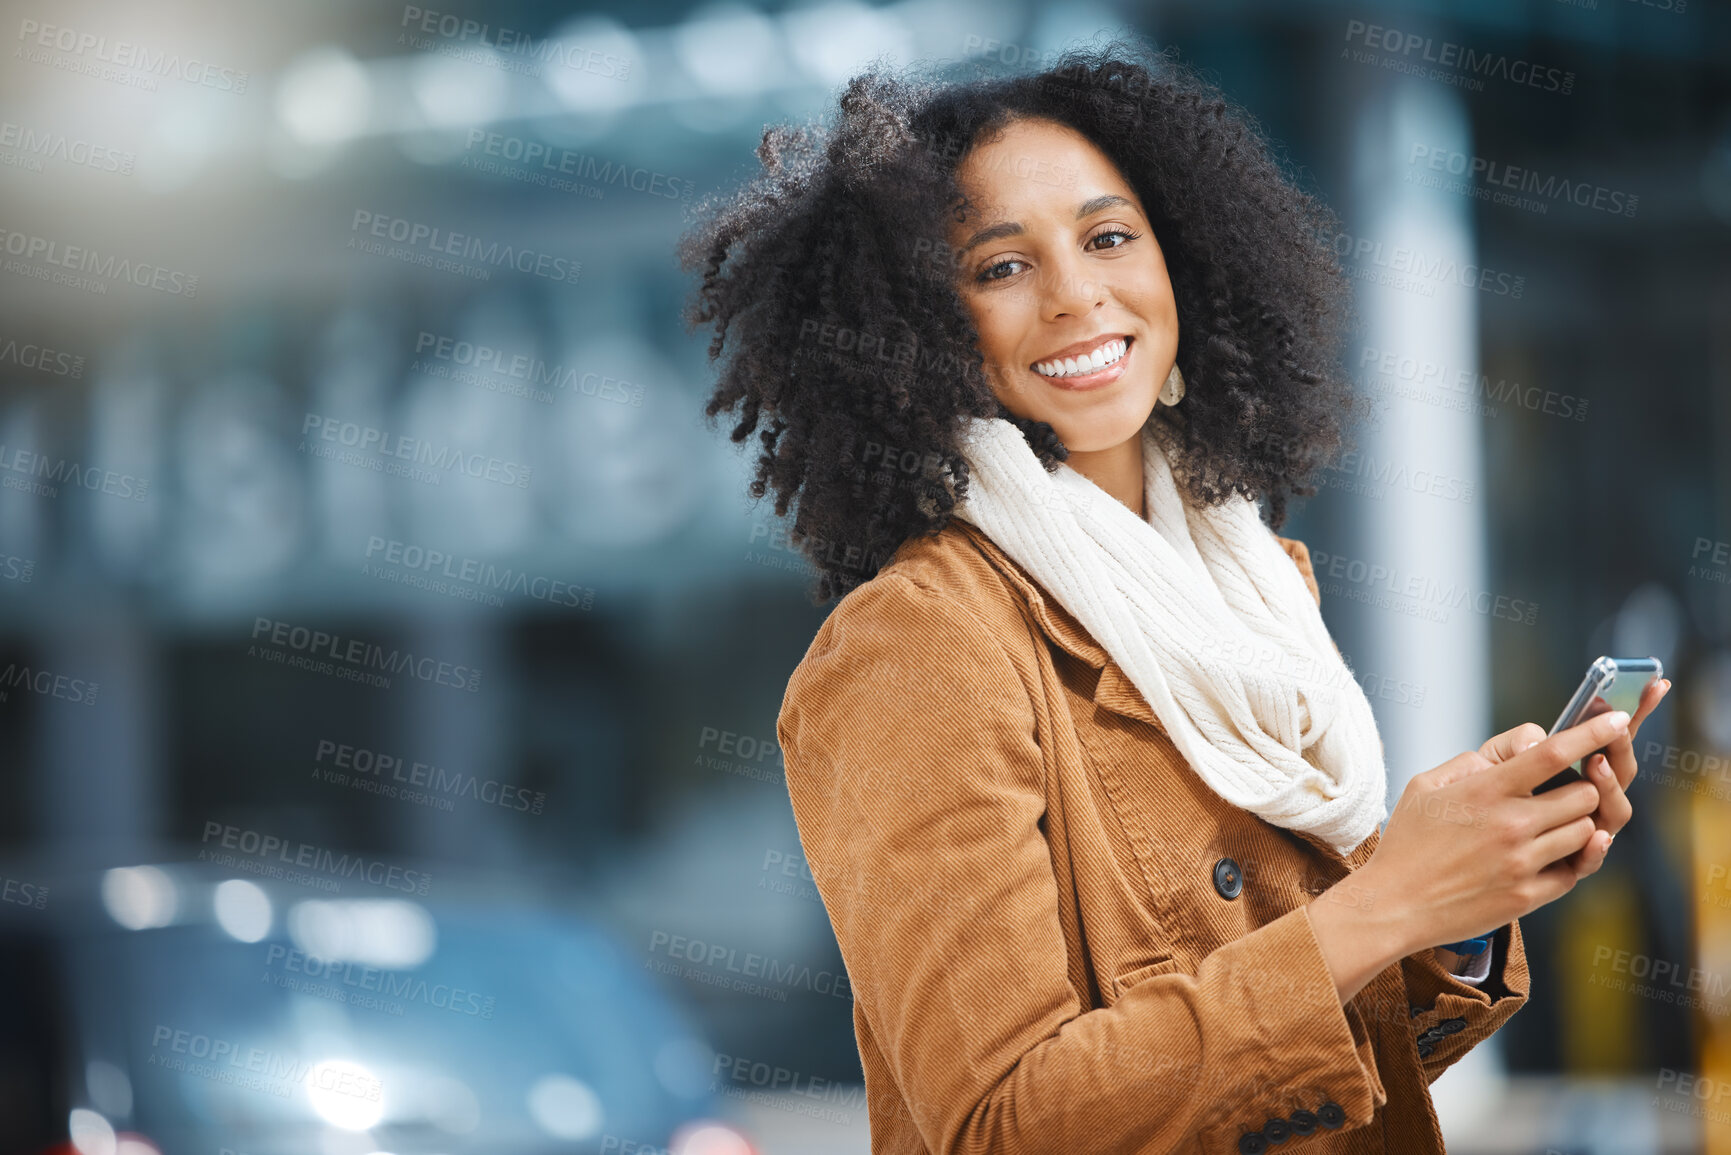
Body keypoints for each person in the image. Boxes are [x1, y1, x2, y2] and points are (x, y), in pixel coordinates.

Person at [679, 39, 1670, 1155]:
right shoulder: (920, 641)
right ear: (917, 332)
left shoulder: (1245, 584)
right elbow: (1001, 1124)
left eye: (1110, 238)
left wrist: (1464, 902)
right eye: (1000, 268)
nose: (1076, 296)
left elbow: (1306, 1082)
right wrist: (1387, 900)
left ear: (1183, 264)